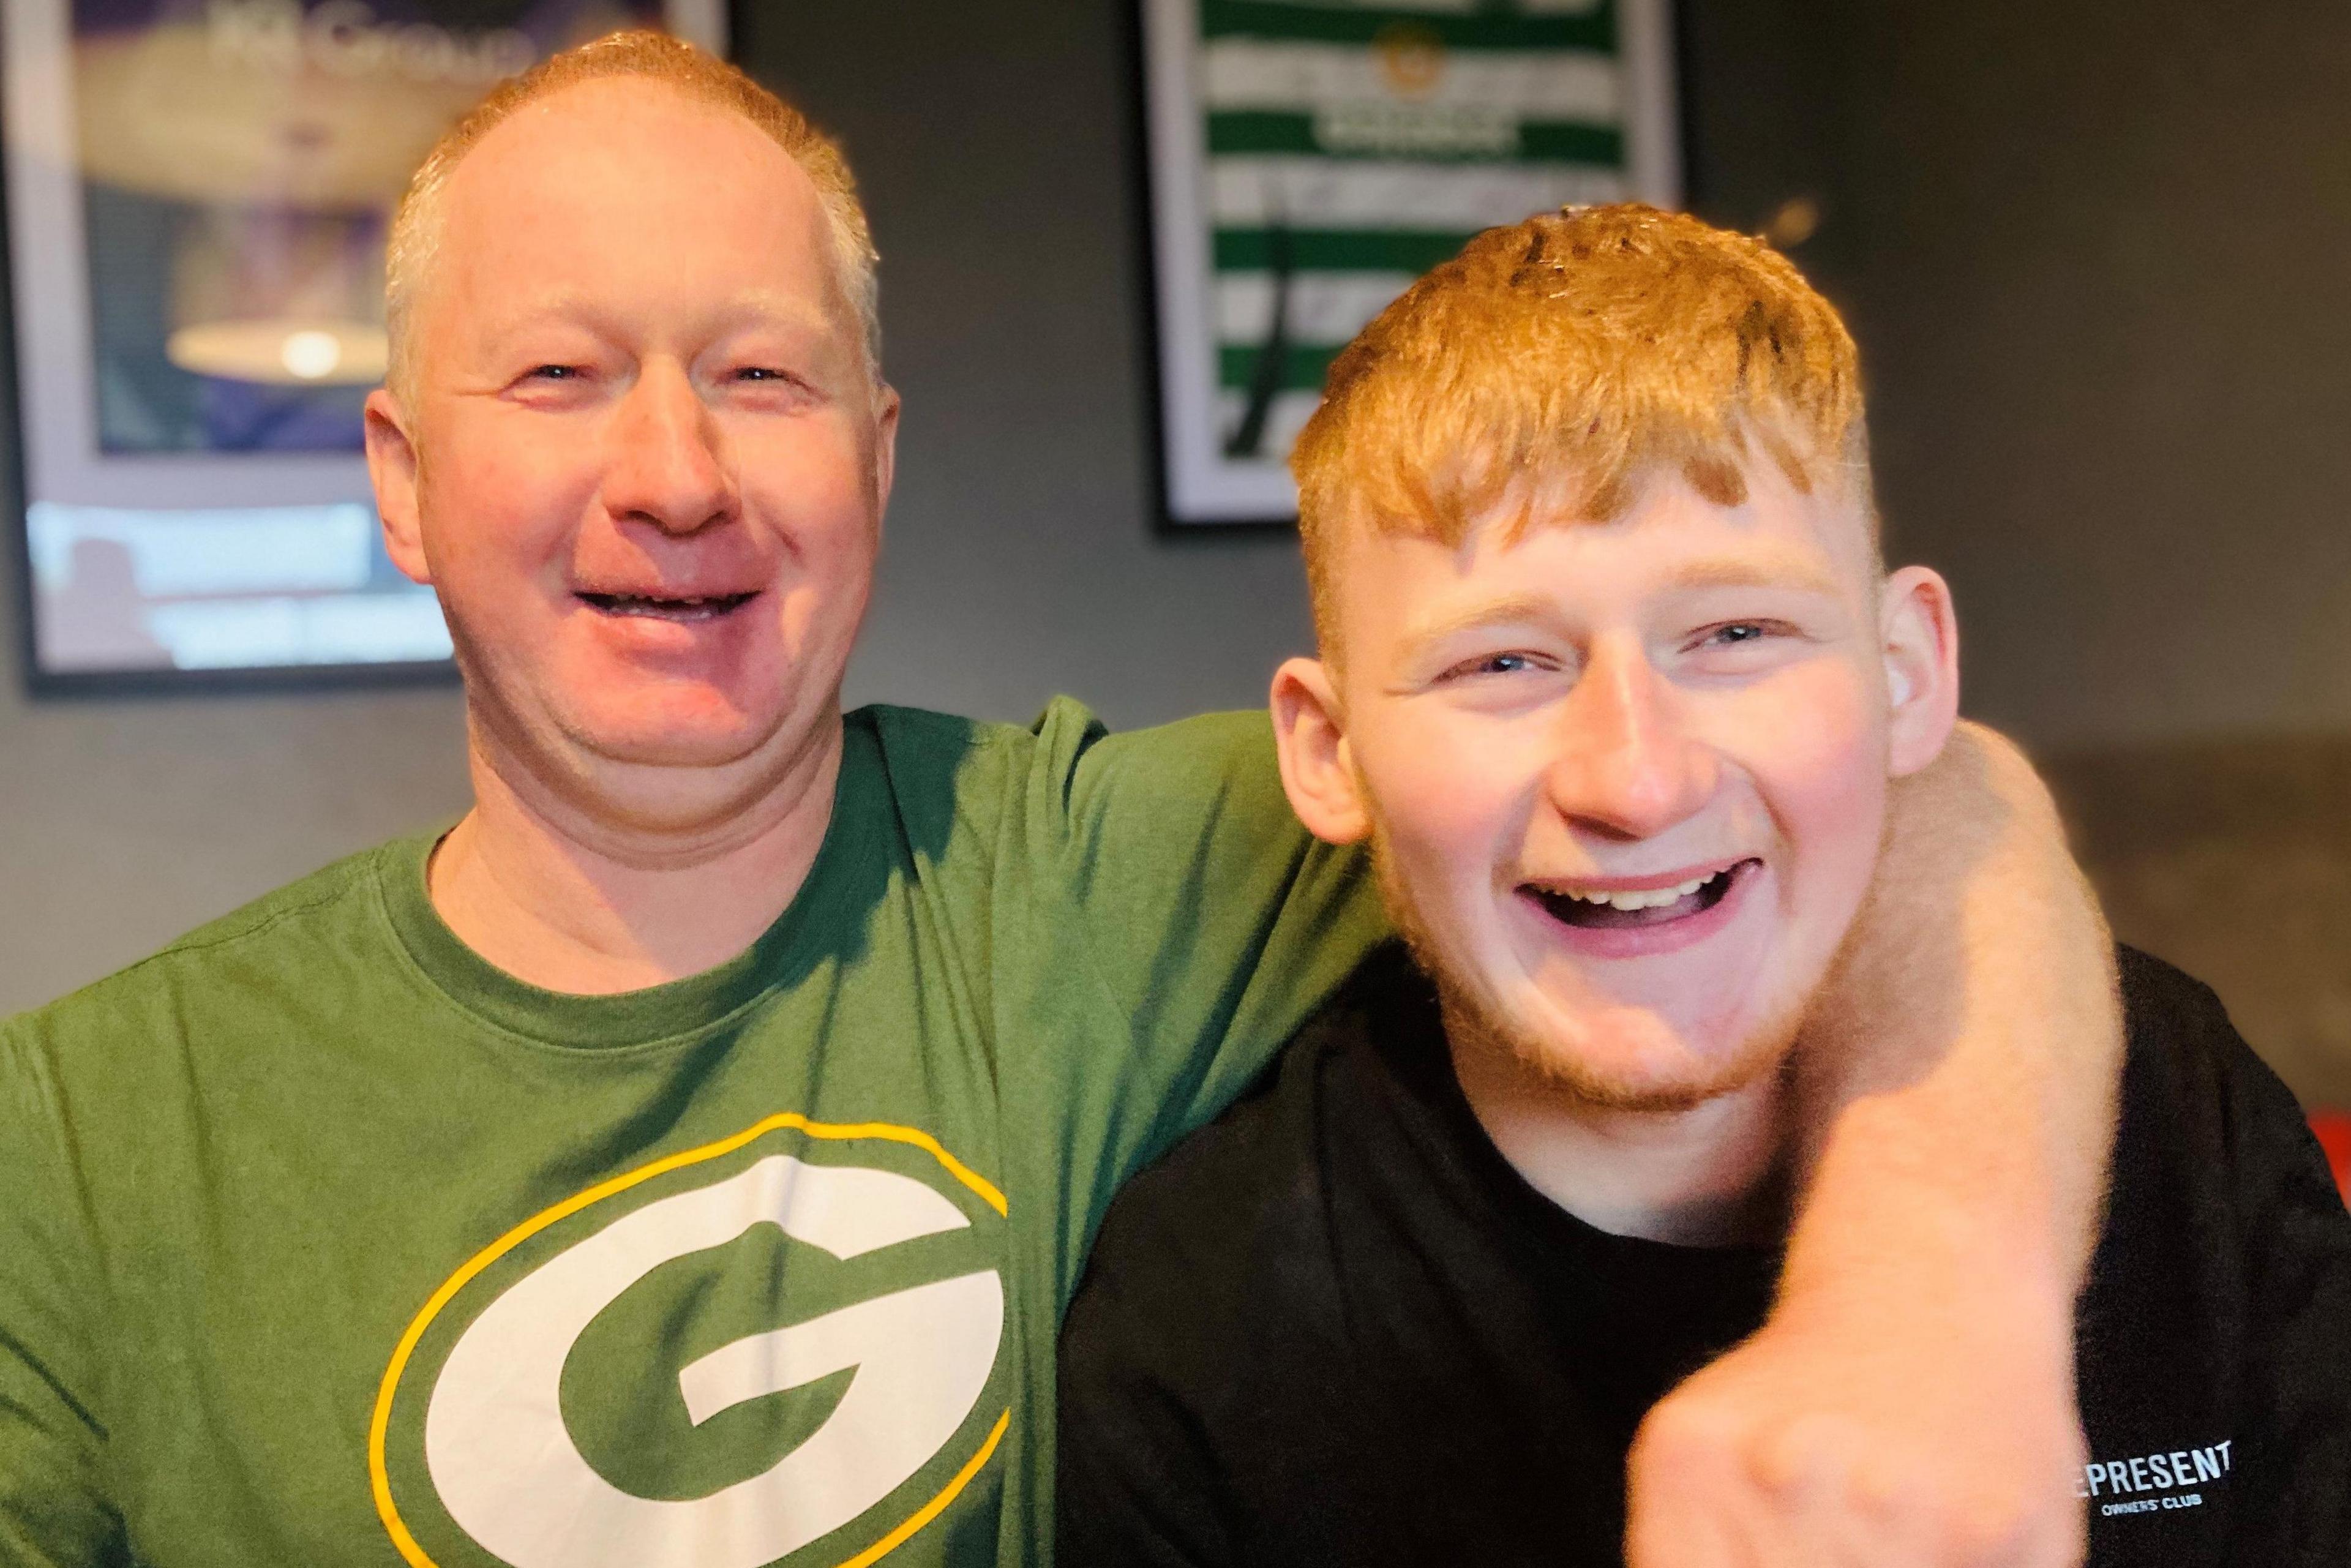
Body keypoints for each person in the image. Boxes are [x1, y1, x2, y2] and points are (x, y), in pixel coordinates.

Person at [0, 37, 2118, 1568]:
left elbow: (1903, 801)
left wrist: (1930, 1296)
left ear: (878, 454)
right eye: (558, 377)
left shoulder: (1107, 870)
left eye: (760, 373)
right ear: (399, 477)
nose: (673, 471)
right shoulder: (81, 1146)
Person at [1056, 204, 2351, 1568]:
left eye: (1737, 633)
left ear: (1905, 674)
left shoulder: (2170, 1099)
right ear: (1330, 753)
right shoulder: (1206, 1326)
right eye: (1502, 664)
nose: (1638, 780)